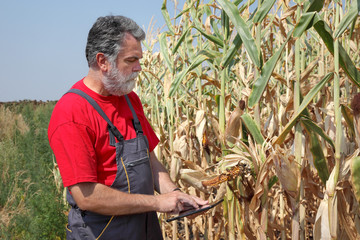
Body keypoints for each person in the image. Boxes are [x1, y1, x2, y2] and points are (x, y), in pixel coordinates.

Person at [48, 15, 207, 240]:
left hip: (143, 229)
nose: (139, 68)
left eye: (139, 60)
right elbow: (86, 196)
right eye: (131, 60)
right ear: (102, 61)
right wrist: (157, 202)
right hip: (102, 233)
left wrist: (174, 194)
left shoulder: (130, 100)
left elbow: (149, 161)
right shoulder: (72, 113)